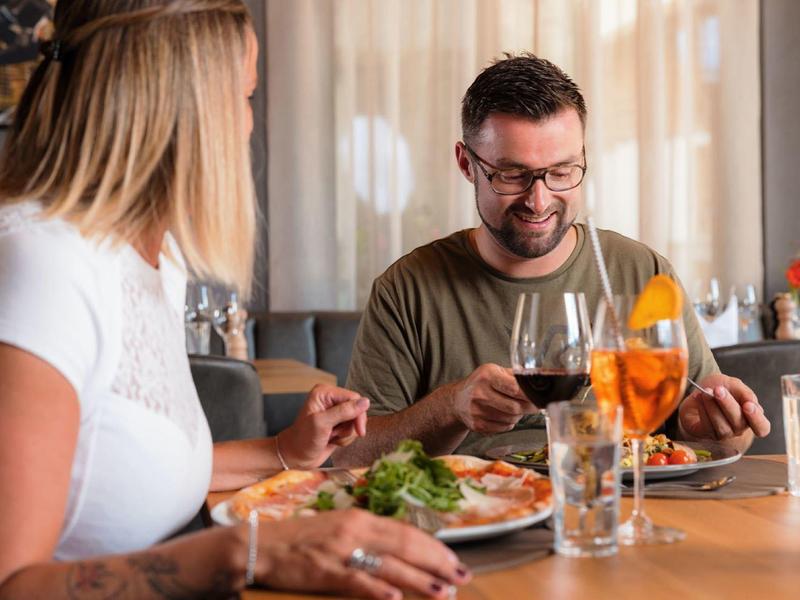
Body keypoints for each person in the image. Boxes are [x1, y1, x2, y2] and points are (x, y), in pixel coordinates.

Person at [0, 2, 470, 599]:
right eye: (245, 96)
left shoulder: (154, 258)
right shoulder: (42, 265)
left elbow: (126, 468)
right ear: (177, 104)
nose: (249, 125)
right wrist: (247, 552)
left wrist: (286, 450)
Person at [335, 53, 771, 467]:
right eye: (512, 175)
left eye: (562, 172)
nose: (539, 201)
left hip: (616, 511)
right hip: (480, 512)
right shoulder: (407, 288)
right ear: (467, 164)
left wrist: (711, 426)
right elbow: (350, 457)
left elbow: (723, 436)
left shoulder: (643, 272)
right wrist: (451, 408)